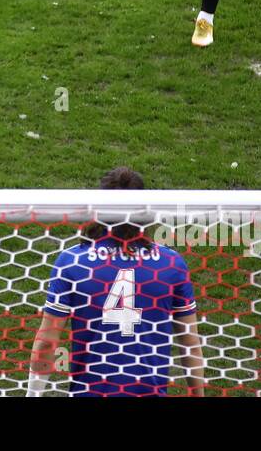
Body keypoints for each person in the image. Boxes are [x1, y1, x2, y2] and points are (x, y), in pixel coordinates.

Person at [27, 167, 204, 397]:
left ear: (99, 208)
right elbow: (190, 344)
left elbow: (47, 342)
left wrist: (32, 395)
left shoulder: (72, 262)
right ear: (144, 210)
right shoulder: (172, 264)